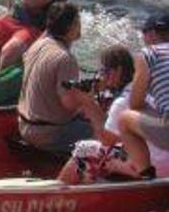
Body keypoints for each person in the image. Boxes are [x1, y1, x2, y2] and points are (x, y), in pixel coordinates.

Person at [58, 44, 169, 183]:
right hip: (162, 158)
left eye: (104, 71)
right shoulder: (144, 90)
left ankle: (58, 192)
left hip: (154, 166)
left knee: (83, 149)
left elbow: (106, 140)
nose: (101, 76)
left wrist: (88, 103)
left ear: (118, 71)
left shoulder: (121, 102)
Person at [17, 2, 112, 154]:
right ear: (72, 25)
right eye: (78, 21)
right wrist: (91, 95)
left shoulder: (38, 45)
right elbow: (69, 104)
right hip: (48, 134)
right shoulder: (65, 58)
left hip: (24, 124)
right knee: (108, 134)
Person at [116, 11, 169, 179]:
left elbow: (135, 103)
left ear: (152, 33)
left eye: (143, 34)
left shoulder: (148, 54)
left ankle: (147, 176)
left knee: (124, 119)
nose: (143, 39)